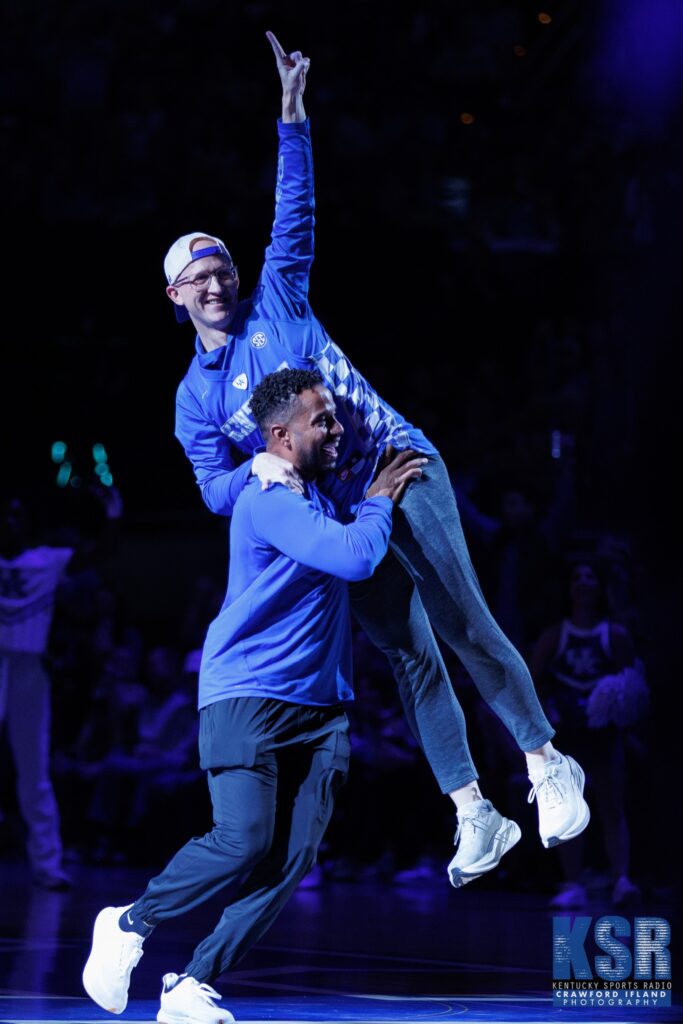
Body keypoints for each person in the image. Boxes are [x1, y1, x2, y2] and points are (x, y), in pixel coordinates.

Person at [166, 30, 589, 888]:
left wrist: (292, 119)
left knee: (462, 618)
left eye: (222, 268)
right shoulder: (193, 398)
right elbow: (216, 490)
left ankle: (547, 761)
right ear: (175, 296)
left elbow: (295, 214)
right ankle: (474, 811)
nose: (216, 281)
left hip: (397, 464)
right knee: (405, 654)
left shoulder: (277, 299)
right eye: (197, 275)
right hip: (341, 514)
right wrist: (258, 472)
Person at [82, 368, 425, 1024]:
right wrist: (380, 497)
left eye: (333, 417)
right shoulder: (266, 498)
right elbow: (355, 558)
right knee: (242, 838)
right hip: (247, 693)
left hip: (319, 707)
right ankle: (129, 923)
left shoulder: (309, 492)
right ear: (278, 434)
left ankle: (191, 983)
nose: (334, 428)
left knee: (293, 857)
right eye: (320, 419)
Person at [529, 559, 647, 908]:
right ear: (568, 588)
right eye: (576, 576)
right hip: (566, 734)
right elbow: (531, 682)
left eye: (590, 577)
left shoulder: (615, 635)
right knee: (568, 810)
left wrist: (621, 715)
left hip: (605, 735)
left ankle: (621, 879)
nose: (582, 583)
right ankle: (572, 882)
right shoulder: (555, 634)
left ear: (599, 587)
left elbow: (634, 685)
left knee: (612, 806)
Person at [0, 495, 73, 890]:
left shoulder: (48, 559)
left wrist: (111, 514)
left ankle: (48, 864)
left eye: (16, 515)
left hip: (29, 666)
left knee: (34, 767)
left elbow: (102, 553)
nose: (10, 524)